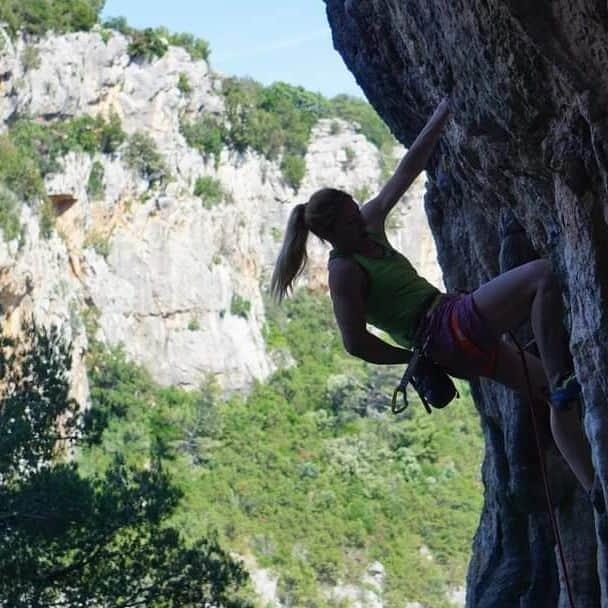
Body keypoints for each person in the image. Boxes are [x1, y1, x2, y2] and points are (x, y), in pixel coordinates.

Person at [270, 97, 604, 520]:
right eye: (351, 222)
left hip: (451, 334)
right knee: (541, 277)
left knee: (556, 401)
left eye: (357, 212)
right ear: (330, 232)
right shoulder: (345, 272)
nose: (360, 221)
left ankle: (595, 491)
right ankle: (561, 375)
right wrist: (409, 358)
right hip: (444, 329)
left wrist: (443, 113)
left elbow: (406, 171)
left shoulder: (368, 226)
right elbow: (354, 342)